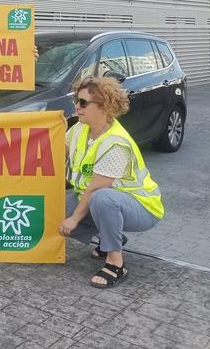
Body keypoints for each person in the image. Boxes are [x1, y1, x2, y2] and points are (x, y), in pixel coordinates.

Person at [59, 76, 164, 288]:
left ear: (104, 106)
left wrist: (73, 220)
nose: (77, 107)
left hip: (143, 207)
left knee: (102, 199)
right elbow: (60, 151)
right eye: (76, 102)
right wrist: (55, 130)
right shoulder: (80, 128)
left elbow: (97, 188)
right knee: (54, 211)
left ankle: (116, 263)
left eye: (83, 103)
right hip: (99, 199)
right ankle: (111, 239)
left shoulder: (115, 142)